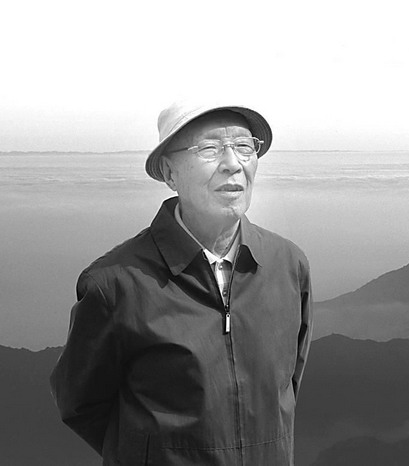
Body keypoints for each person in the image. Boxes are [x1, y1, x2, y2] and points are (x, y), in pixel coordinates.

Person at [50, 101, 313, 466]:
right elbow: (80, 403)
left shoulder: (287, 266)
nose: (233, 164)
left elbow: (285, 390)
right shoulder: (116, 284)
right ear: (169, 173)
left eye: (243, 146)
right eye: (209, 149)